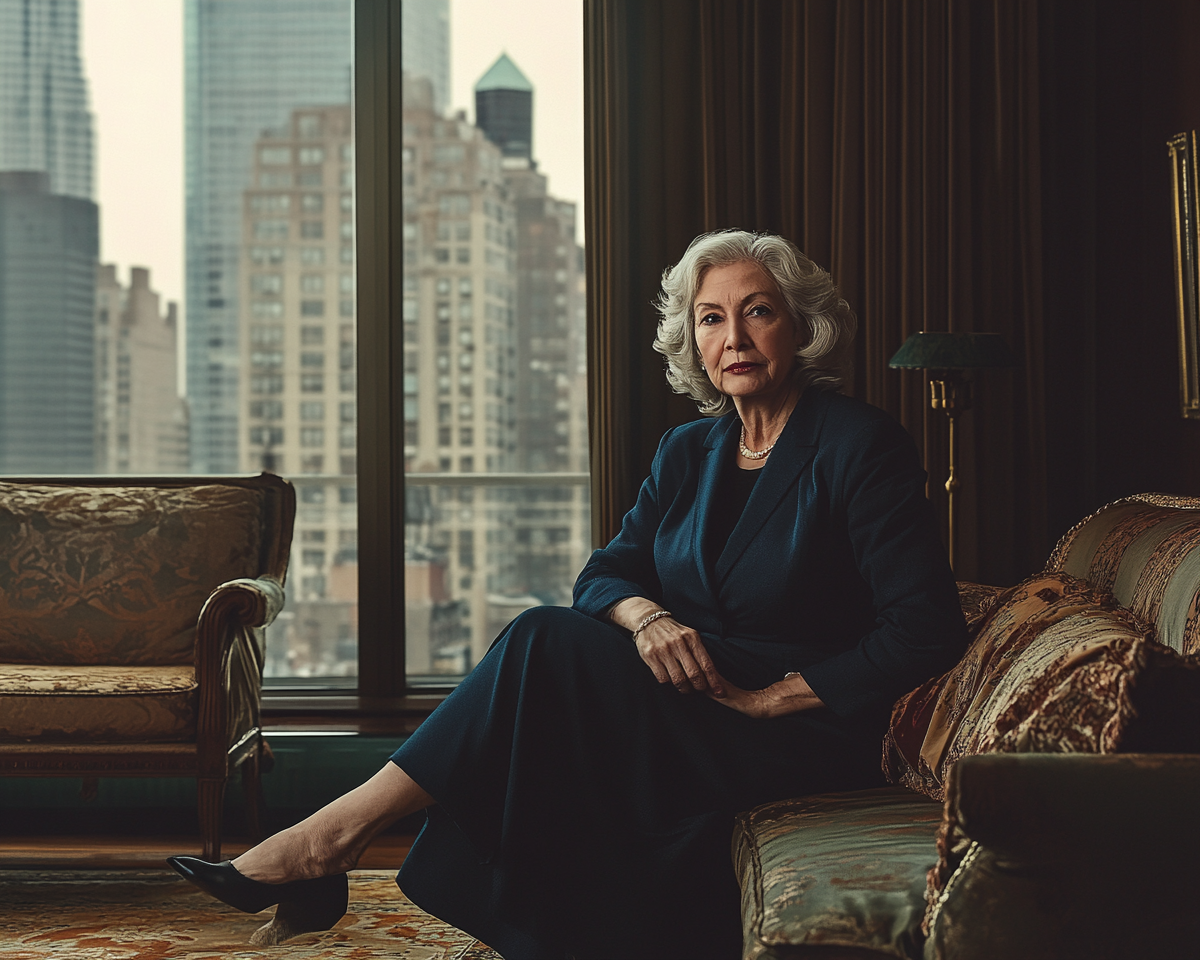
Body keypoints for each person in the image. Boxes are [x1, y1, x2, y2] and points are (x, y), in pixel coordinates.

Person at [169, 229, 967, 959]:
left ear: (800, 326)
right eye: (713, 319)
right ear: (694, 341)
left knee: (543, 643)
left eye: (757, 313)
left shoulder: (859, 444)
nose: (735, 338)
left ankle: (328, 842)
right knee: (548, 647)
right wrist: (646, 616)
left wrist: (779, 698)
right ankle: (334, 846)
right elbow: (604, 576)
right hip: (693, 706)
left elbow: (924, 627)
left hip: (799, 733)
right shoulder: (691, 450)